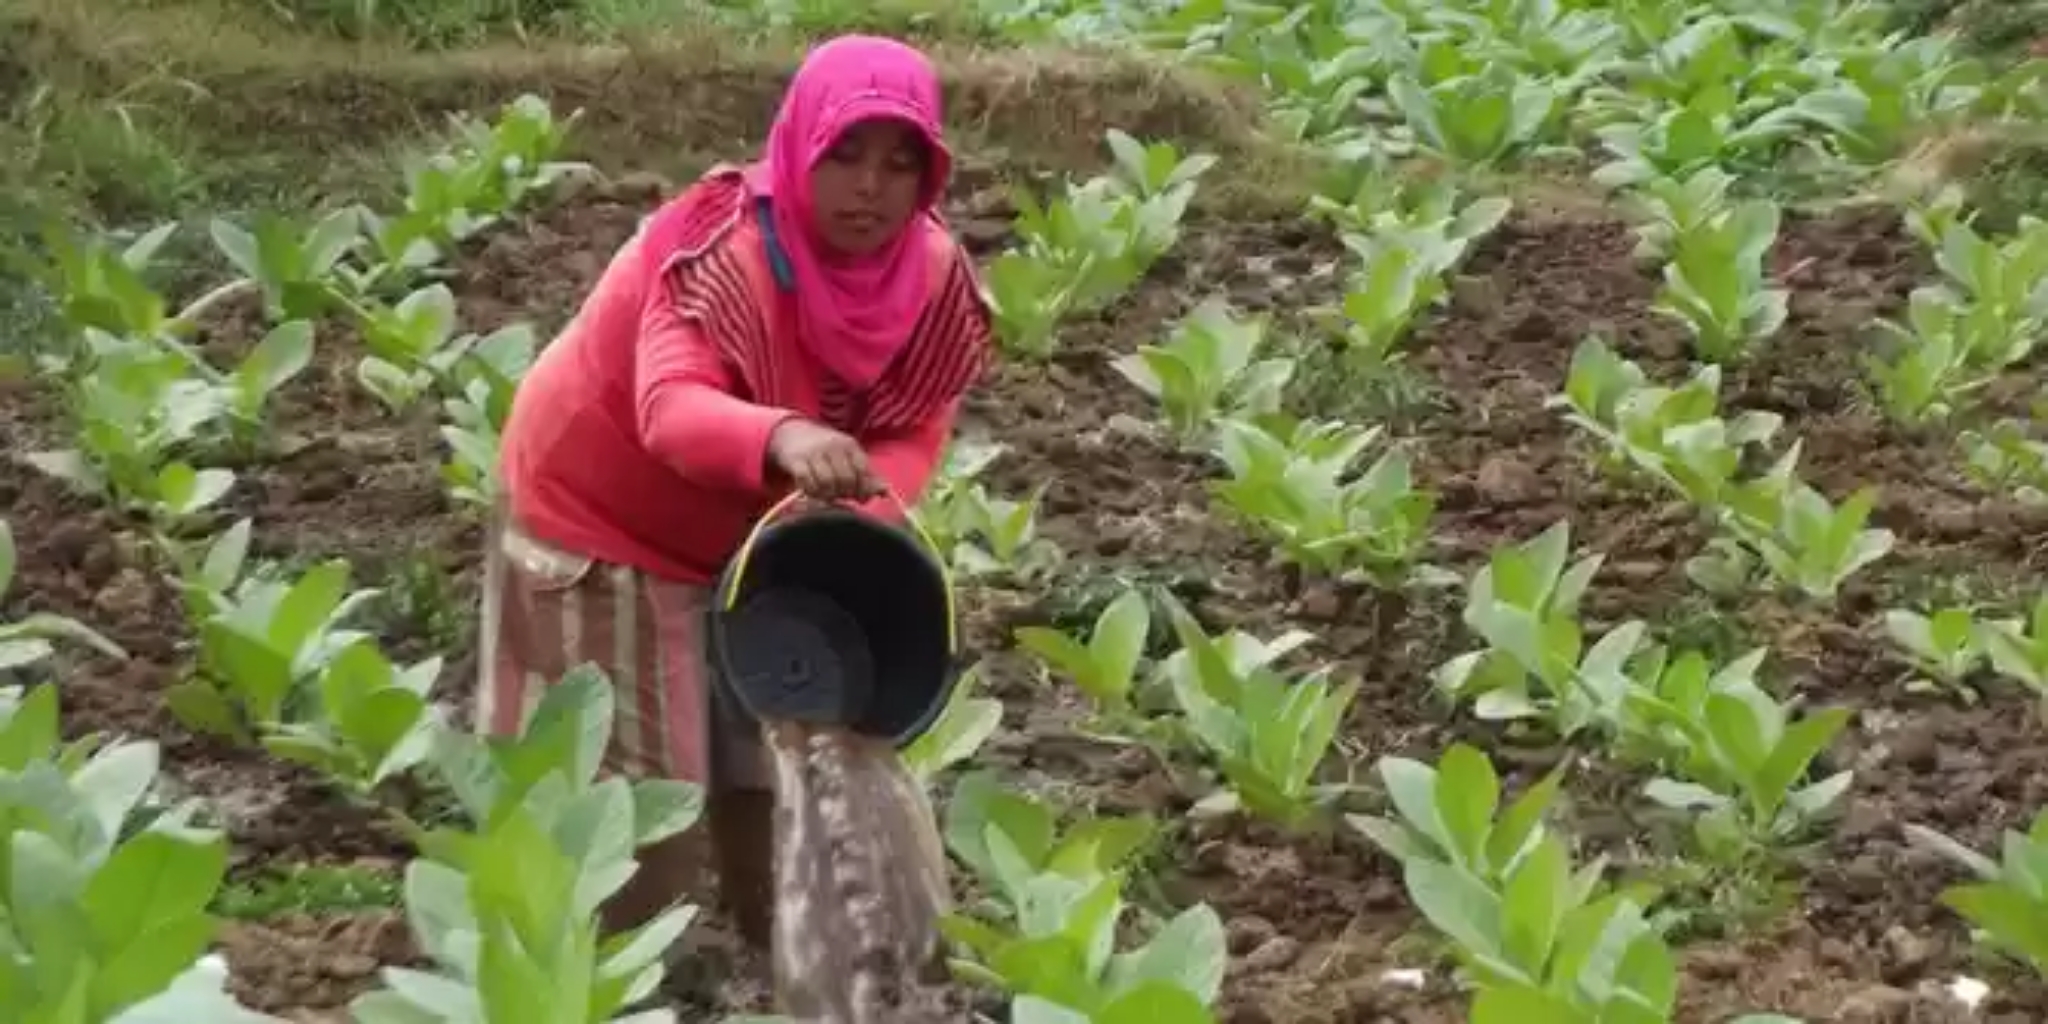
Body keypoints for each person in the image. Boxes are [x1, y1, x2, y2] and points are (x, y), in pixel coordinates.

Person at [476, 33, 992, 952]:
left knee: (778, 762)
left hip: (758, 532)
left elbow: (916, 422)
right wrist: (785, 436)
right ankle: (604, 981)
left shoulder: (929, 275)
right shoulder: (720, 251)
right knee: (641, 812)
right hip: (604, 520)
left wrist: (863, 509)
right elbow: (670, 409)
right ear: (798, 146)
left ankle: (790, 961)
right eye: (845, 155)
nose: (869, 187)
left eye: (899, 163)